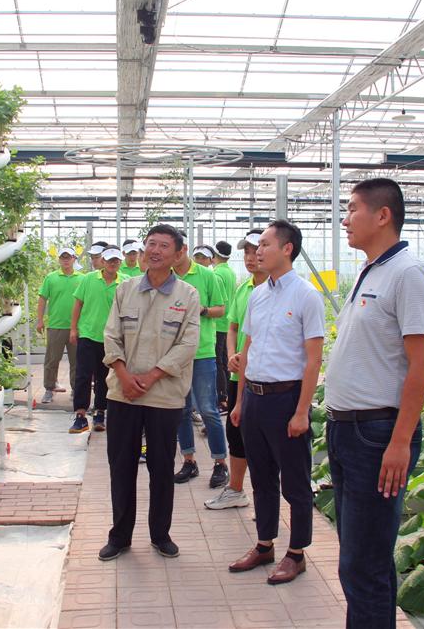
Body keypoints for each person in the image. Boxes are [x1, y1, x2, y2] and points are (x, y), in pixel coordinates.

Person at [325, 178, 424, 628]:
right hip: (346, 430)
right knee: (367, 559)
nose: (345, 219)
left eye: (352, 208)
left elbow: (421, 363)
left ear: (383, 215)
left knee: (361, 566)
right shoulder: (372, 270)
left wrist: (400, 441)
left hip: (376, 435)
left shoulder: (408, 273)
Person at [229, 220, 324, 585]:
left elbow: (313, 360)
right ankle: (264, 544)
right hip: (255, 398)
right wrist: (240, 401)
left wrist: (302, 411)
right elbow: (248, 349)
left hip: (287, 400)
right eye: (257, 246)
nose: (258, 251)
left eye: (265, 244)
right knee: (262, 478)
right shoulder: (257, 295)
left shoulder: (306, 295)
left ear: (287, 249)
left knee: (295, 482)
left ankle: (296, 553)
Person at [98, 224, 201, 561]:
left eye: (163, 246)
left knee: (161, 467)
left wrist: (153, 375)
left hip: (164, 396)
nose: (155, 251)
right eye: (151, 244)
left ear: (178, 254)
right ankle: (119, 537)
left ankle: (160, 535)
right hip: (123, 394)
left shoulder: (187, 295)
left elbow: (188, 344)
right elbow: (111, 335)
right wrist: (124, 376)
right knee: (121, 466)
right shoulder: (125, 290)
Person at [204, 230, 265, 510]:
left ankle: (268, 501)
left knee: (263, 438)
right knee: (236, 431)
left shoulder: (281, 292)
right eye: (247, 252)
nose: (251, 257)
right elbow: (233, 327)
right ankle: (236, 490)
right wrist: (231, 355)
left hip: (264, 377)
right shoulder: (243, 289)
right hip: (238, 374)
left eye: (256, 250)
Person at [172, 239, 229, 489]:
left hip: (202, 351)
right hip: (174, 354)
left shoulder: (207, 275)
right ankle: (189, 461)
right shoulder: (166, 276)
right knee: (181, 410)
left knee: (208, 410)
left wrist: (202, 309)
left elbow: (221, 309)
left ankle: (220, 463)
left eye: (172, 250)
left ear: (183, 250)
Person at [69, 246, 123, 433]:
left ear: (120, 262)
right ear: (102, 261)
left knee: (104, 377)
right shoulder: (88, 279)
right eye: (109, 260)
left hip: (111, 338)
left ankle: (100, 412)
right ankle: (80, 415)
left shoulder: (125, 282)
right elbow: (78, 304)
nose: (112, 263)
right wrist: (73, 328)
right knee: (83, 375)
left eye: (116, 260)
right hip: (88, 334)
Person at [37, 248, 83, 404]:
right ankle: (49, 389)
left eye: (68, 257)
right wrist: (40, 320)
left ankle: (76, 390)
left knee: (77, 361)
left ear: (74, 259)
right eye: (63, 257)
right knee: (52, 360)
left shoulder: (82, 278)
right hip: (55, 326)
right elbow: (42, 299)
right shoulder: (51, 278)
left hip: (77, 327)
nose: (66, 260)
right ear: (59, 260)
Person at [212, 240, 237, 409]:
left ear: (215, 255)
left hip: (218, 322)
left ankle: (221, 396)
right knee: (224, 360)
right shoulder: (231, 272)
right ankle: (226, 393)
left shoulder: (216, 274)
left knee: (218, 362)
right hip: (228, 322)